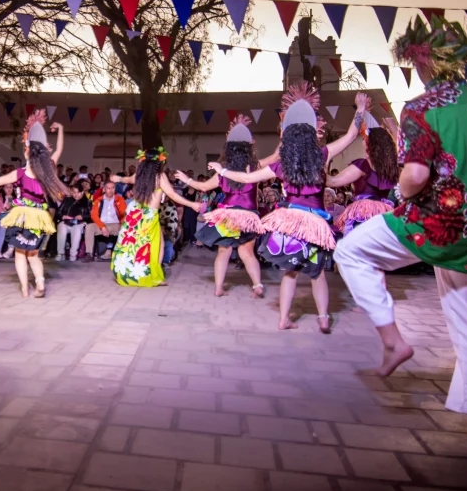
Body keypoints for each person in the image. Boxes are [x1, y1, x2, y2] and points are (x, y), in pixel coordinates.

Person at [333, 15, 467, 450]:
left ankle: (393, 341)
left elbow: (415, 176)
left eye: (416, 62)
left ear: (425, 61)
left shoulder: (421, 107)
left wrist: (402, 189)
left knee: (351, 252)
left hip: (435, 223)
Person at [216, 85, 366, 332]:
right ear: (312, 134)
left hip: (292, 222)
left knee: (291, 272)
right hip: (315, 224)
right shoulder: (322, 154)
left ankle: (284, 319)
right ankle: (323, 318)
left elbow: (246, 178)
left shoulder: (281, 165)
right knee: (317, 273)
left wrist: (222, 170)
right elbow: (351, 136)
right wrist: (360, 108)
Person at [0, 111, 66, 298]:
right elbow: (59, 150)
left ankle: (24, 288)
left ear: (27, 152)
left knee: (20, 253)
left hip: (22, 215)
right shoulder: (49, 168)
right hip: (39, 216)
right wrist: (61, 129)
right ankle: (40, 282)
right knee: (33, 253)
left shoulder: (21, 172)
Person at [177, 115, 270, 298]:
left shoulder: (223, 171)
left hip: (228, 215)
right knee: (247, 252)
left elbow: (203, 187)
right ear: (249, 148)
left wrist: (186, 180)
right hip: (248, 215)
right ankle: (257, 285)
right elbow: (276, 156)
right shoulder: (255, 167)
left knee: (223, 251)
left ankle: (219, 288)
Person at [109, 148, 200, 286]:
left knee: (132, 243)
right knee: (155, 245)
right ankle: (154, 276)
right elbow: (173, 195)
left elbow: (127, 179)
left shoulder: (139, 174)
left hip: (134, 213)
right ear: (159, 162)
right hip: (148, 216)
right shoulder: (159, 176)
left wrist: (118, 178)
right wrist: (191, 204)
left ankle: (128, 272)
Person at [328, 114, 399, 235]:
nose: (363, 140)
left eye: (365, 138)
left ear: (370, 144)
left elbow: (332, 181)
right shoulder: (392, 167)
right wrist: (394, 129)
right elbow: (407, 156)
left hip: (364, 213)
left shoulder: (363, 165)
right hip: (384, 214)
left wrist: (327, 155)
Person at [84, 181, 126, 262]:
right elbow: (94, 215)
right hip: (102, 224)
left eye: (113, 188)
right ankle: (89, 253)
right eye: (108, 188)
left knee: (125, 228)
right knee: (89, 227)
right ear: (104, 189)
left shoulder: (119, 199)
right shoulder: (99, 200)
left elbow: (124, 214)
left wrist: (122, 223)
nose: (111, 190)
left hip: (115, 225)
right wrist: (102, 227)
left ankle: (121, 254)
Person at [57, 185, 91, 261]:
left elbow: (91, 215)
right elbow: (58, 212)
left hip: (79, 223)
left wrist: (82, 217)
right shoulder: (67, 200)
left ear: (82, 192)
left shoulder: (87, 202)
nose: (76, 195)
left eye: (78, 193)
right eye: (74, 193)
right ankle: (60, 253)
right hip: (67, 221)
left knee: (76, 229)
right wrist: (63, 216)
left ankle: (73, 254)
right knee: (61, 226)